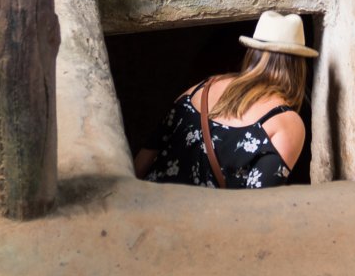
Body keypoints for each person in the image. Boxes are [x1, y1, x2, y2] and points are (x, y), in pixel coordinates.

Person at [134, 11, 315, 190]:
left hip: (148, 209)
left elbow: (142, 163)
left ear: (252, 52)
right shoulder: (285, 123)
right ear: (299, 66)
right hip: (206, 218)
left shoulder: (201, 89)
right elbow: (257, 206)